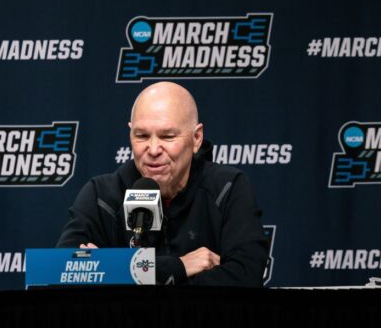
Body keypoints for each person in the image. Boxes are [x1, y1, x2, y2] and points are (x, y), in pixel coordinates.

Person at [57, 81, 269, 286]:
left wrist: (112, 269)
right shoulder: (101, 195)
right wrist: (179, 267)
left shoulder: (227, 188)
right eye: (142, 136)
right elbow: (62, 272)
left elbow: (246, 277)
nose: (153, 149)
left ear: (196, 138)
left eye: (167, 136)